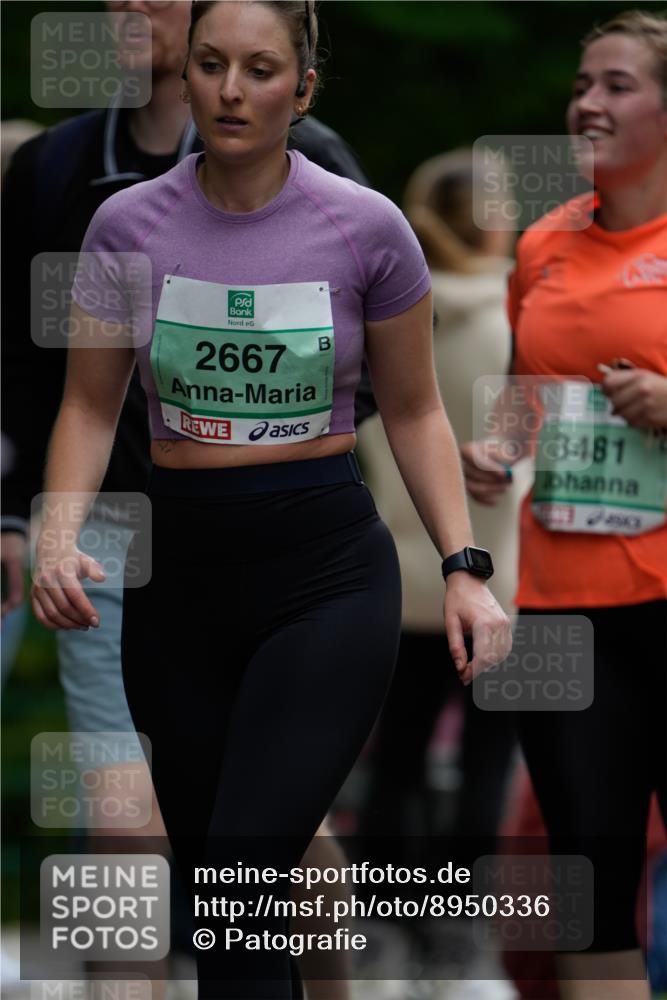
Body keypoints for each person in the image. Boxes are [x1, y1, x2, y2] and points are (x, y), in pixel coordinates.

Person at [31, 2, 511, 997]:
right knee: (223, 900)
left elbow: (417, 412)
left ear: (304, 86)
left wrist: (466, 571)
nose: (232, 90)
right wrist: (56, 532)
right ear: (189, 75)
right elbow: (87, 402)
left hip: (324, 578)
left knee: (247, 877)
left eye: (260, 68)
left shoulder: (364, 226)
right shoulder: (126, 223)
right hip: (180, 587)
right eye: (211, 65)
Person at [462, 11, 667, 999]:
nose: (587, 103)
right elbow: (520, 384)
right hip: (557, 611)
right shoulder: (542, 239)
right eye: (581, 84)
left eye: (617, 84)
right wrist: (496, 446)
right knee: (585, 893)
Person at [357, 149, 530, 996]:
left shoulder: (393, 309)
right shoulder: (517, 315)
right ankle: (455, 942)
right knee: (487, 762)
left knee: (394, 758)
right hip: (501, 581)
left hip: (402, 573)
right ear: (492, 221)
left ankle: (382, 935)